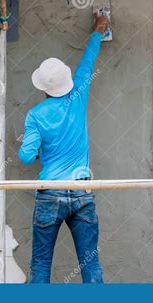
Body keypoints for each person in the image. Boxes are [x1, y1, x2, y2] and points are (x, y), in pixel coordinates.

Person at [18, 14, 109, 283]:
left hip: (49, 193)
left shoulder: (35, 115)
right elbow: (88, 62)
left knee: (41, 264)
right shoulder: (79, 93)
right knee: (91, 265)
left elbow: (24, 157)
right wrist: (99, 29)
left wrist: (34, 148)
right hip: (82, 190)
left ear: (42, 87)